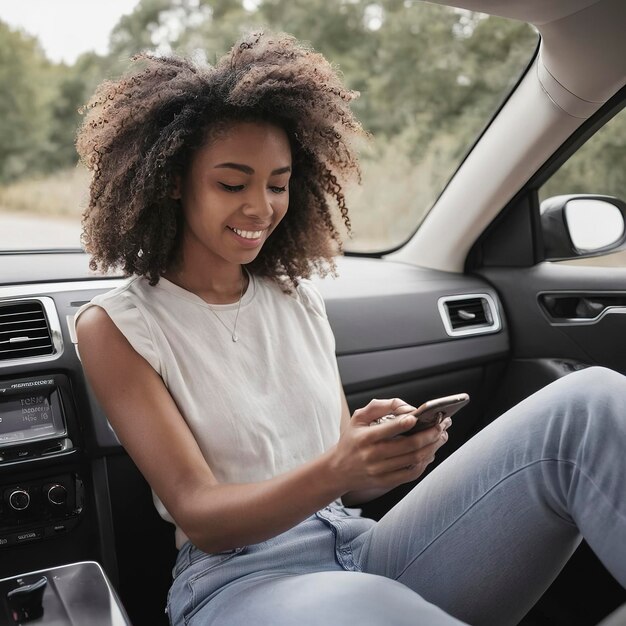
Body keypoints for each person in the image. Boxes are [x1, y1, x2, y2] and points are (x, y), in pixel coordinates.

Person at [74, 31, 626, 626]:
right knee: (377, 608)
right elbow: (203, 517)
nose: (261, 207)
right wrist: (339, 468)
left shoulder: (296, 298)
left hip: (359, 547)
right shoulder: (117, 326)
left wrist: (373, 454)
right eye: (232, 184)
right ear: (173, 182)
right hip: (239, 580)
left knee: (589, 402)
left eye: (278, 184)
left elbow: (343, 487)